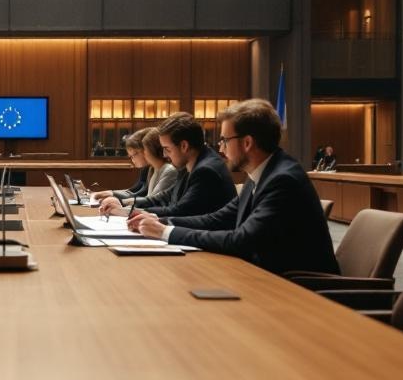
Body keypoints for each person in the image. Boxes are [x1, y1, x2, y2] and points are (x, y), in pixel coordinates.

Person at [128, 99, 339, 276]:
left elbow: (242, 240)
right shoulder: (261, 173)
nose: (220, 147)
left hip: (300, 288)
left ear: (247, 143)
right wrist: (162, 221)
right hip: (265, 276)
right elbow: (219, 218)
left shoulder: (282, 180)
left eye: (224, 140)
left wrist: (166, 232)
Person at [126, 112, 235, 218]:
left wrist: (131, 212)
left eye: (167, 149)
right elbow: (166, 196)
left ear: (184, 146)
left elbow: (179, 211)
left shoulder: (205, 171)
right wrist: (128, 203)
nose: (164, 155)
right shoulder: (190, 163)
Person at [98, 128, 178, 215]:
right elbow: (149, 199)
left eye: (145, 150)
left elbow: (153, 203)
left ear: (153, 150)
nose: (144, 154)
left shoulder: (169, 170)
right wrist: (121, 204)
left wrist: (121, 207)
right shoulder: (154, 169)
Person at [91, 128, 152, 203]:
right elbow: (133, 190)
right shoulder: (146, 169)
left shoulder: (161, 169)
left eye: (132, 155)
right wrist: (109, 193)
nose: (132, 160)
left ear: (145, 151)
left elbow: (140, 195)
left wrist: (113, 196)